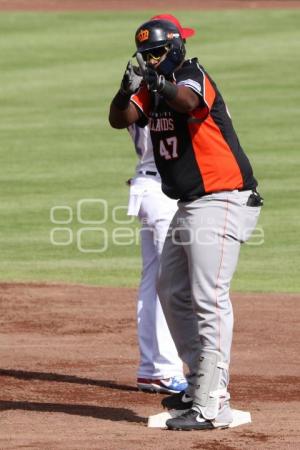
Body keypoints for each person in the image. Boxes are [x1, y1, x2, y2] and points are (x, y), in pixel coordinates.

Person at [109, 16, 263, 431]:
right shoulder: (149, 87)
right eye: (147, 56)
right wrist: (126, 90)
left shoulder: (192, 75)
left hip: (223, 199)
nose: (152, 61)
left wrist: (158, 83)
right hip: (190, 205)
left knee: (209, 297)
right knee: (171, 289)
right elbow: (119, 119)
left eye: (158, 53)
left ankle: (214, 403)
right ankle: (199, 384)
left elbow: (189, 103)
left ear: (174, 48)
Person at [126, 14, 195, 395]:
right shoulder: (166, 90)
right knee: (172, 284)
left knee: (154, 281)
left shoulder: (142, 89)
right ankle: (164, 368)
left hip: (147, 186)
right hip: (164, 191)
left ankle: (154, 366)